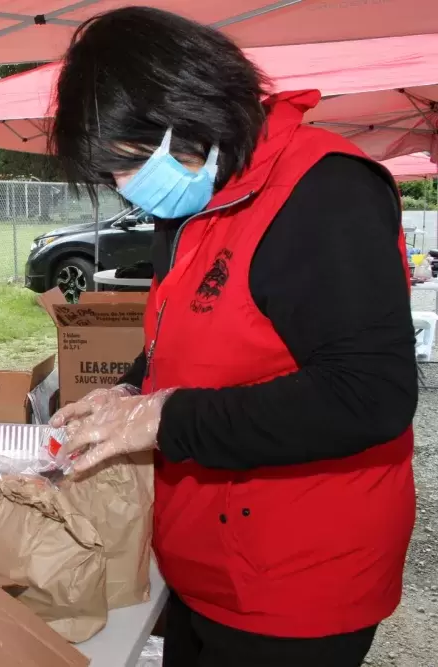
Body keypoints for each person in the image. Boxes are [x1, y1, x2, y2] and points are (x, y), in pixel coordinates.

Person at [49, 8, 416, 667]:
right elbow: (186, 333)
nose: (123, 188)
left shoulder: (325, 192)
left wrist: (164, 416)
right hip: (202, 563)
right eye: (110, 175)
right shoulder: (195, 194)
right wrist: (131, 387)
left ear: (189, 113)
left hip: (297, 581)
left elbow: (370, 395)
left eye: (128, 165)